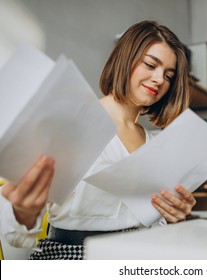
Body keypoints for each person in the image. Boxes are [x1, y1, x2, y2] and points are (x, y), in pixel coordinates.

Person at [0, 20, 196, 260]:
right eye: (150, 65)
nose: (159, 79)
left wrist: (174, 216)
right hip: (73, 256)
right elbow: (14, 230)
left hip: (142, 255)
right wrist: (22, 212)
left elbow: (155, 221)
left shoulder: (157, 142)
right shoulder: (70, 124)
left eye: (168, 75)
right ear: (125, 59)